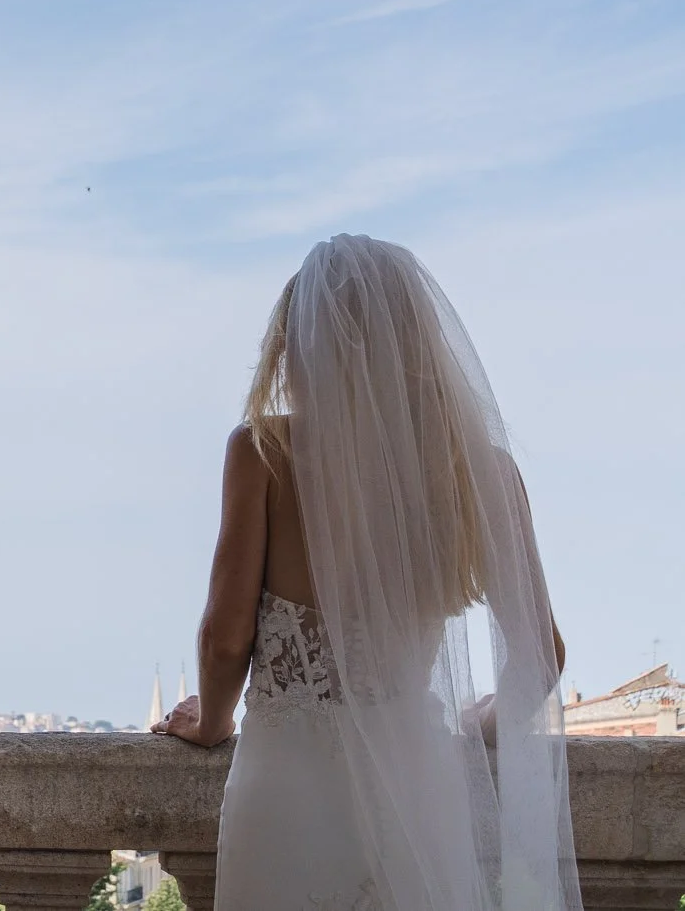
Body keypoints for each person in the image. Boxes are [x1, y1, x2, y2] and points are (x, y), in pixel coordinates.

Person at [154, 235, 578, 911]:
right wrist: (477, 725)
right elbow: (542, 654)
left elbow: (225, 636)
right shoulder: (480, 470)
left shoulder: (265, 450)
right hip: (415, 784)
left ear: (303, 344)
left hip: (287, 789)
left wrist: (211, 720)